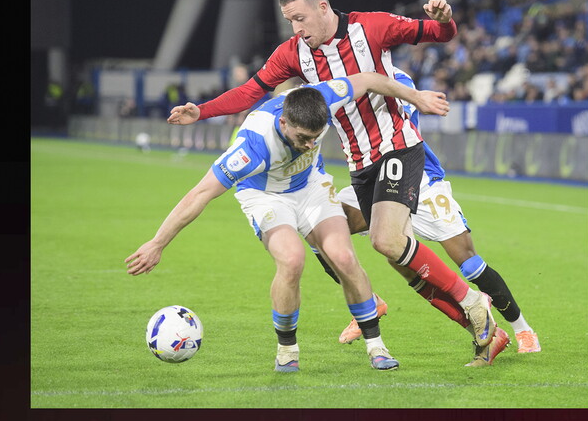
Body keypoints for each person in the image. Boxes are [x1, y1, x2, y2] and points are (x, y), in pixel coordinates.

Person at [168, 0, 498, 363]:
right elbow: (250, 92)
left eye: (300, 18)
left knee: (386, 241)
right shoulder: (293, 52)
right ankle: (475, 328)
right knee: (375, 252)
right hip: (359, 163)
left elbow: (439, 34)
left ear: (322, 7)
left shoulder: (372, 26)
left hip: (398, 146)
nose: (296, 28)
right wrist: (202, 111)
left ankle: (474, 302)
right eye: (289, 21)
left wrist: (445, 20)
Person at [127, 71, 450, 372]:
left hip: (310, 186)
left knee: (343, 256)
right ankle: (287, 349)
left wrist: (416, 96)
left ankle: (376, 346)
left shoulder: (325, 96)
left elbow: (367, 79)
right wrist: (157, 243)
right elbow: (198, 195)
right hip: (266, 195)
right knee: (292, 260)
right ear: (283, 122)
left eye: (315, 137)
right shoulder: (252, 147)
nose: (310, 144)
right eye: (303, 137)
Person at [318, 69, 541, 360]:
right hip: (374, 179)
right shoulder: (340, 79)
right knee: (321, 226)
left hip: (419, 179)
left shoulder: (396, 78)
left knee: (469, 263)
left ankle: (523, 329)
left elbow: (399, 117)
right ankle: (366, 303)